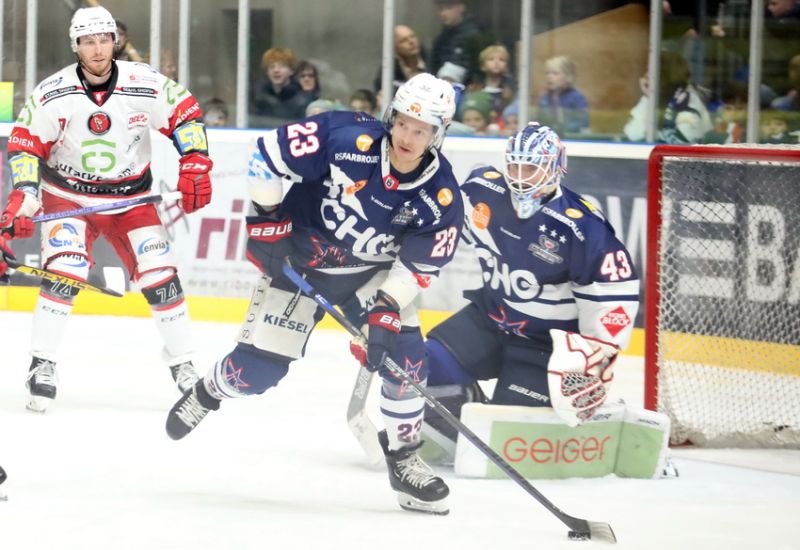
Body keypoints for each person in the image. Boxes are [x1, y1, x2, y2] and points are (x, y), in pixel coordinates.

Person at [165, 73, 462, 516]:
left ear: (438, 134)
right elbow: (266, 155)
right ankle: (209, 391)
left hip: (370, 275)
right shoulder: (345, 137)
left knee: (407, 361)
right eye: (402, 123)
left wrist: (386, 309)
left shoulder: (441, 195)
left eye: (420, 130)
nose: (406, 136)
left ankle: (404, 460)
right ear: (390, 116)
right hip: (301, 263)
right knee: (255, 373)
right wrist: (267, 218)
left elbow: (417, 265)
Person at [0, 6, 213, 412]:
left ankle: (183, 363)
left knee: (161, 276)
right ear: (75, 45)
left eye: (104, 40)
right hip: (68, 198)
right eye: (88, 42)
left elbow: (185, 115)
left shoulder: (144, 82)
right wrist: (24, 196)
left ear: (115, 41)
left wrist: (196, 162)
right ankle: (42, 363)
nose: (97, 49)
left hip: (130, 200)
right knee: (65, 272)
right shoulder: (51, 92)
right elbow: (26, 145)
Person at [422, 122, 639, 441]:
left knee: (506, 429)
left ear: (555, 167)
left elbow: (613, 297)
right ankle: (459, 424)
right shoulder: (482, 191)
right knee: (428, 361)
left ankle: (486, 426)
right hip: (491, 320)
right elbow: (436, 223)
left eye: (531, 168)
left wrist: (595, 360)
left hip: (544, 345)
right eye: (515, 166)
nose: (521, 177)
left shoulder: (582, 228)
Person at [430, 0, 493, 83]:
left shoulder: (475, 35)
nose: (444, 14)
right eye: (441, 9)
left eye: (449, 8)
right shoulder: (441, 39)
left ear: (461, 8)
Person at [251, 47, 310, 123]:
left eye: (282, 66)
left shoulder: (302, 101)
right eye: (271, 66)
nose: (276, 70)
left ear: (291, 71)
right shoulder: (259, 98)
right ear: (267, 72)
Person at [536, 55, 590, 135]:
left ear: (569, 76)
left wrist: (561, 129)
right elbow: (540, 120)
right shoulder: (544, 98)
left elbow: (583, 122)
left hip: (571, 138)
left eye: (555, 73)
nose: (549, 77)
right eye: (547, 73)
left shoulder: (576, 97)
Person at [373, 25, 428, 95]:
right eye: (403, 40)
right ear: (395, 48)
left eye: (412, 36)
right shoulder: (388, 73)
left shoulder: (433, 61)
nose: (411, 42)